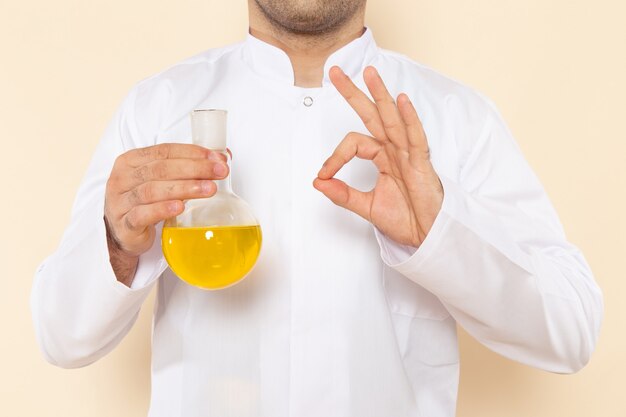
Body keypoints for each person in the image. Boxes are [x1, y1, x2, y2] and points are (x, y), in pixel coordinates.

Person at [31, 1, 604, 416]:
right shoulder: (158, 107)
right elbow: (63, 336)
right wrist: (115, 241)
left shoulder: (456, 117)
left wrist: (442, 235)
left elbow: (571, 330)